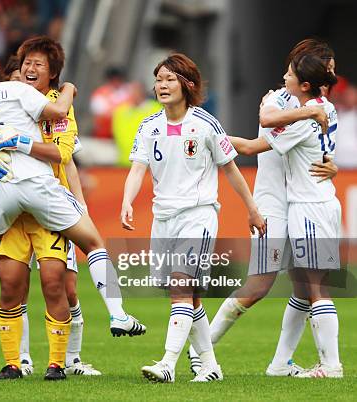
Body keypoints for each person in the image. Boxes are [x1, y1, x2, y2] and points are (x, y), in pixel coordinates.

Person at [0, 48, 145, 367]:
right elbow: (57, 112)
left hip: (1, 191)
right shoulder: (16, 90)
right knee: (93, 244)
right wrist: (69, 89)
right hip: (37, 183)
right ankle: (118, 314)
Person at [186, 39, 339, 377]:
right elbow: (264, 124)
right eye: (326, 66)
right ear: (304, 69)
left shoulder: (318, 106)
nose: (331, 73)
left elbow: (318, 147)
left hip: (302, 203)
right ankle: (203, 349)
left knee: (305, 285)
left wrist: (334, 165)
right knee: (259, 285)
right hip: (274, 202)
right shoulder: (280, 99)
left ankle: (281, 363)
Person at [0, 37, 101, 380]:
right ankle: (20, 359)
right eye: (22, 68)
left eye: (36, 66)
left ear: (51, 73)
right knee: (12, 284)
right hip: (16, 210)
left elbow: (68, 159)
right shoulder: (10, 103)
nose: (27, 73)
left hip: (52, 204)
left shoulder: (56, 107)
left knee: (64, 286)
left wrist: (80, 203)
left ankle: (72, 359)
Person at [121, 53, 266, 383]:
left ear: (187, 84)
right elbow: (137, 169)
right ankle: (210, 366)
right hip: (163, 218)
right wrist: (127, 201)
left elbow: (230, 169)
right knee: (191, 296)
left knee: (180, 287)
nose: (162, 85)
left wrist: (252, 209)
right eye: (158, 79)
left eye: (170, 79)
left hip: (198, 216)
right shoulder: (149, 125)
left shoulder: (205, 124)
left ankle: (168, 364)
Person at [228, 53, 341, 378]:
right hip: (321, 202)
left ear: (304, 83)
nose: (284, 77)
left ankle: (331, 366)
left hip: (308, 207)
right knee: (304, 289)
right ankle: (281, 364)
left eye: (289, 73)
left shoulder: (304, 118)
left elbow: (252, 146)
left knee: (316, 288)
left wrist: (211, 138)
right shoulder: (323, 109)